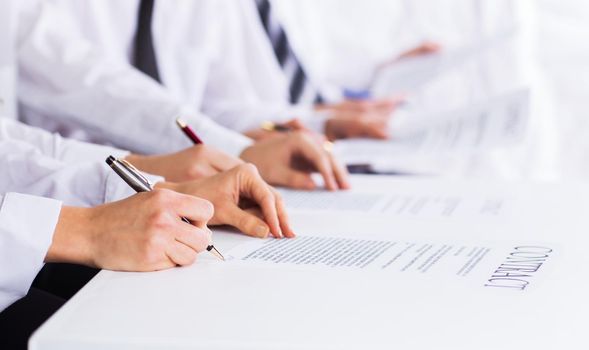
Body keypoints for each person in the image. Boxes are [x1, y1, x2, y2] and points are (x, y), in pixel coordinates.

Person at [14, 0, 349, 191]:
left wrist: (295, 127)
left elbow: (215, 101)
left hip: (191, 180)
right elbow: (80, 80)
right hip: (75, 185)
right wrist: (233, 149)